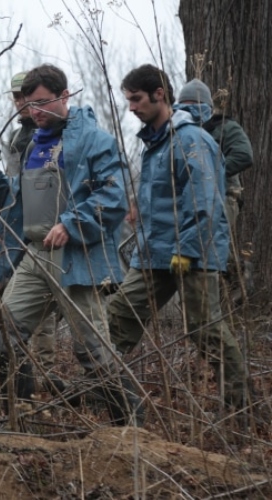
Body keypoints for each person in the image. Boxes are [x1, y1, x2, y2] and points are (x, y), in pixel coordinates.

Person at [0, 64, 142, 426]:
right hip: (36, 254)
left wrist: (72, 224)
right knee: (4, 333)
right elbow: (19, 201)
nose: (34, 111)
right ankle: (18, 420)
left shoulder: (93, 140)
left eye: (42, 103)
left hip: (79, 256)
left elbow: (114, 197)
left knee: (94, 351)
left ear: (64, 96)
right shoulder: (29, 145)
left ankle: (132, 430)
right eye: (29, 104)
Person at [108, 65, 249, 410]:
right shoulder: (154, 142)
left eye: (137, 99)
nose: (131, 107)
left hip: (192, 253)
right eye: (127, 100)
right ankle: (106, 394)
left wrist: (188, 249)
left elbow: (204, 200)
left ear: (160, 94)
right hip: (154, 253)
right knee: (118, 316)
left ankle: (241, 406)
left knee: (205, 330)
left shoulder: (191, 139)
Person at [0, 71, 60, 400]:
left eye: (27, 97)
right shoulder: (19, 139)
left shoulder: (49, 136)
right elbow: (13, 197)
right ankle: (23, 383)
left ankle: (44, 380)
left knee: (41, 308)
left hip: (42, 233)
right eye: (17, 98)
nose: (21, 103)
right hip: (14, 227)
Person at [176, 79, 254, 303]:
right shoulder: (184, 132)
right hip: (196, 199)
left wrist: (212, 176)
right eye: (185, 104)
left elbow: (243, 155)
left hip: (225, 195)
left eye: (194, 103)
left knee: (208, 240)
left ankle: (236, 271)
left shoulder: (224, 126)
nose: (189, 109)